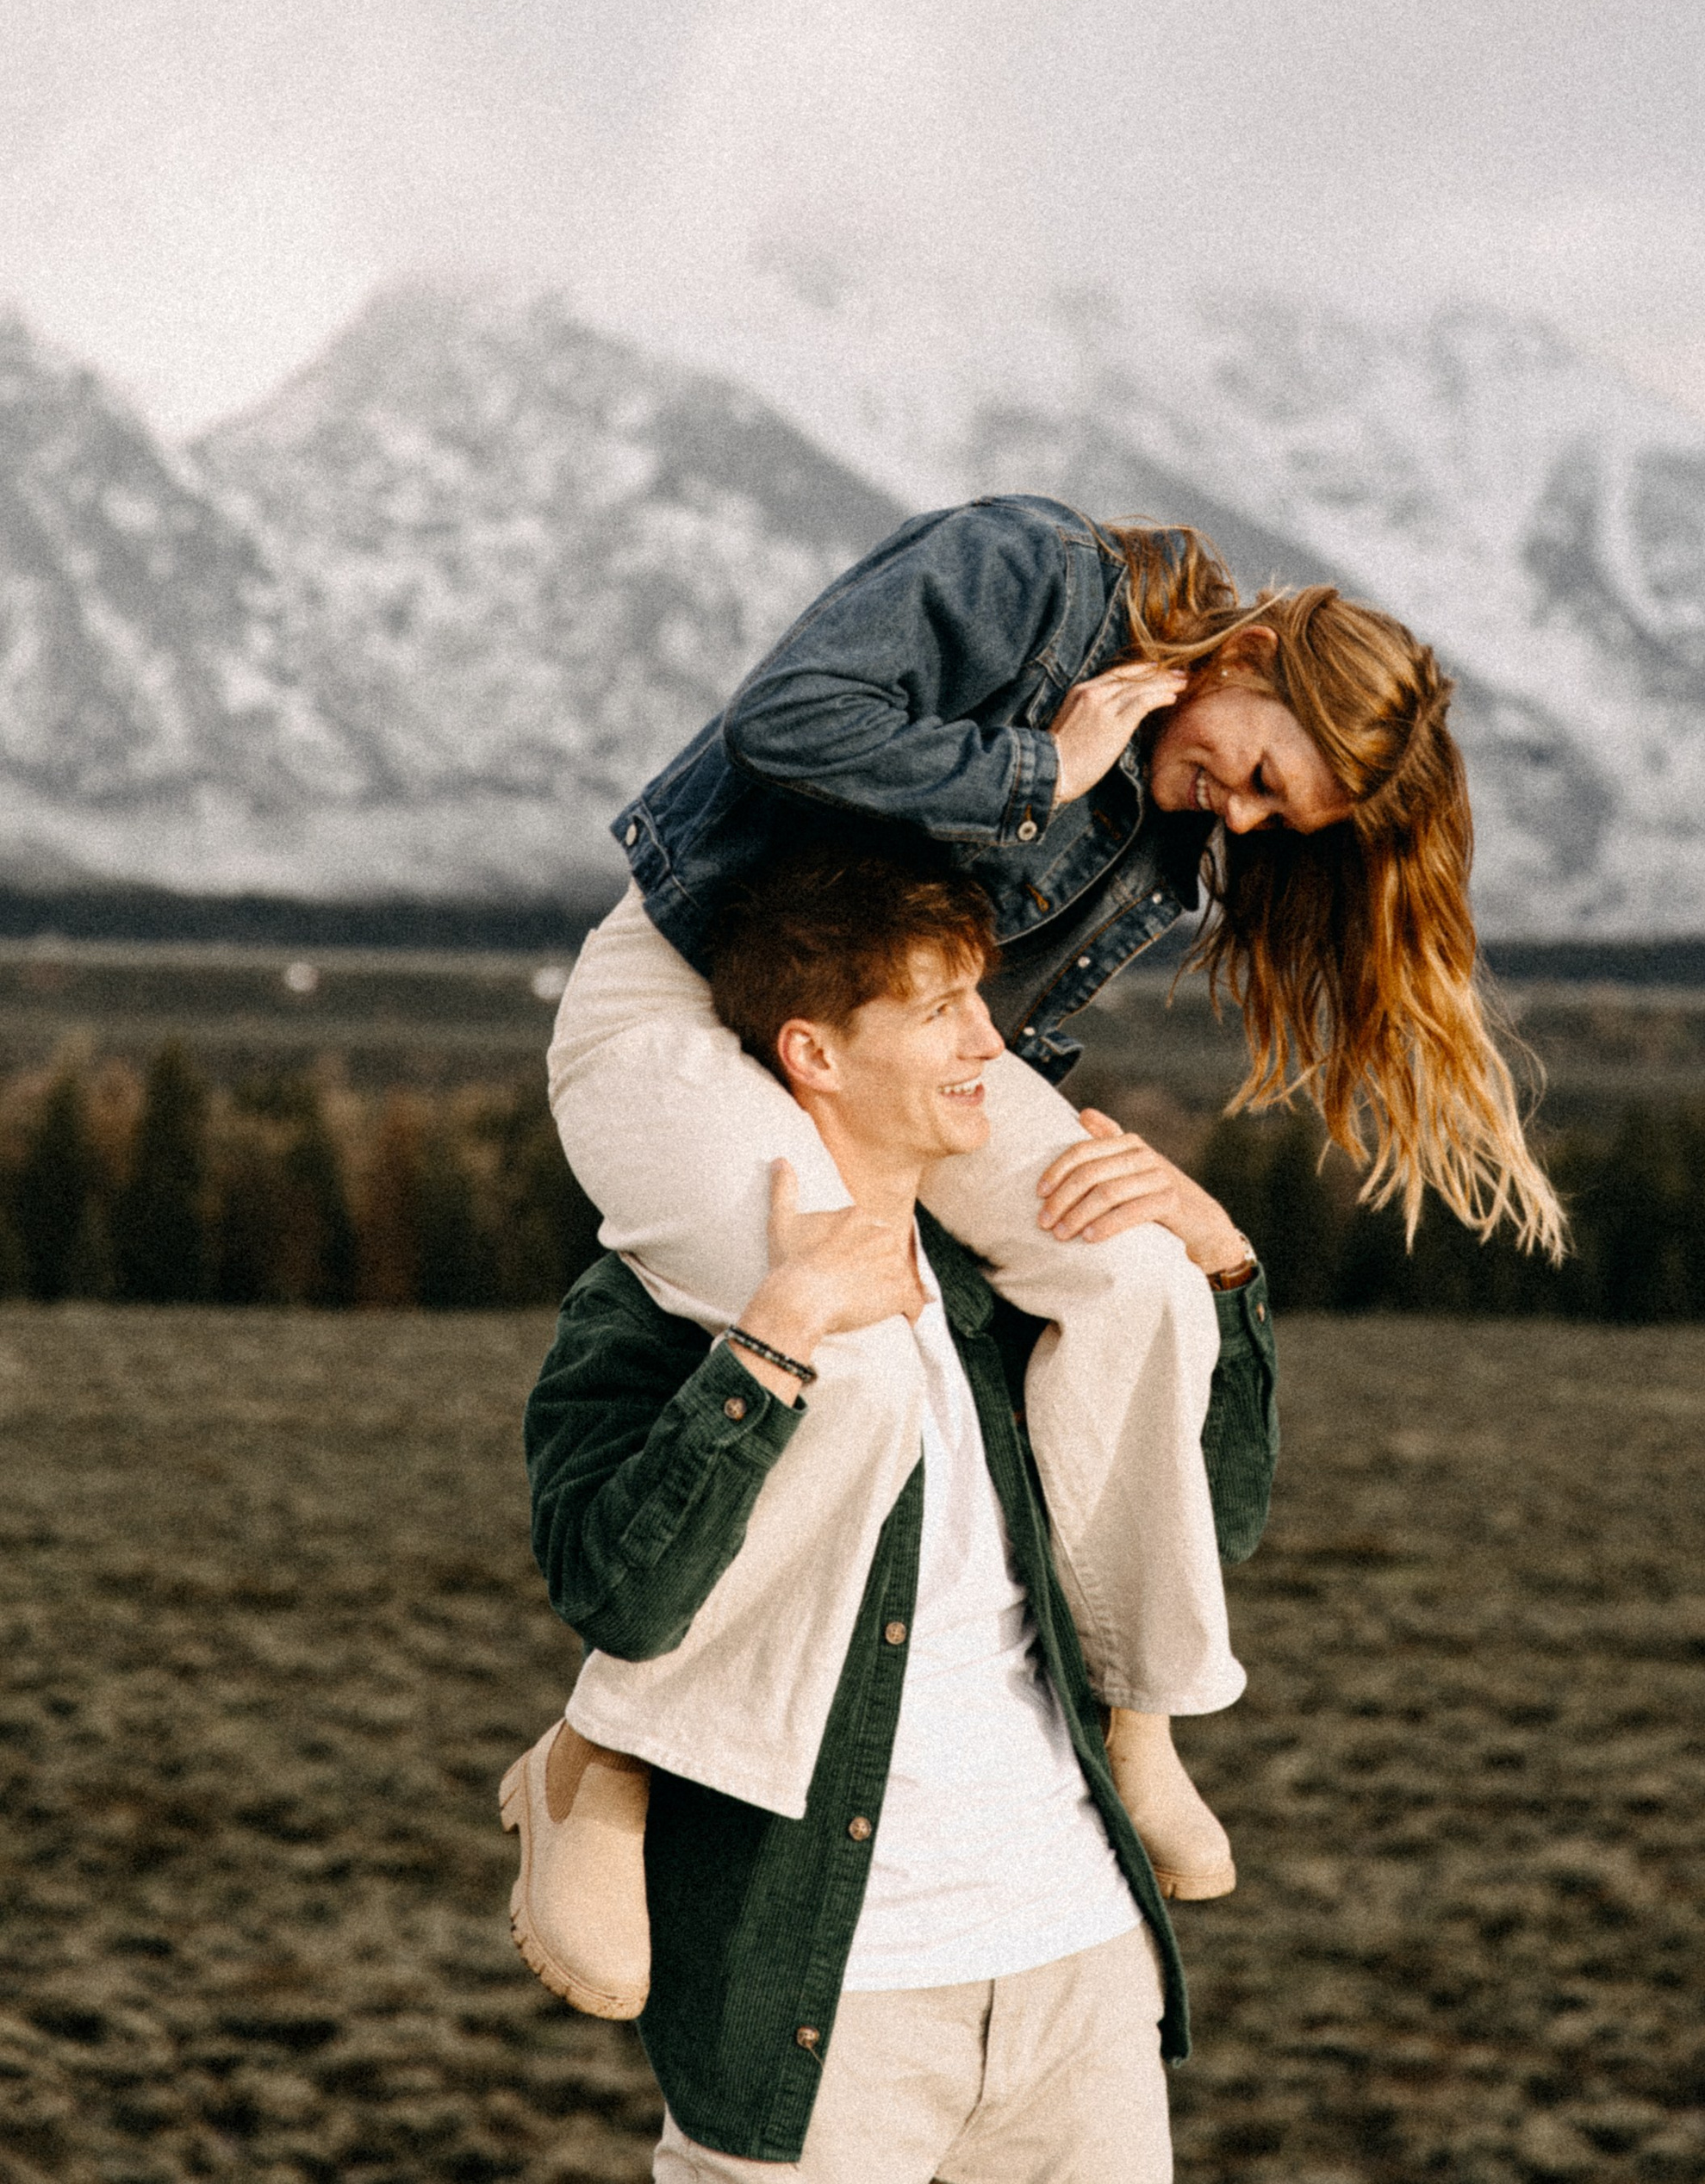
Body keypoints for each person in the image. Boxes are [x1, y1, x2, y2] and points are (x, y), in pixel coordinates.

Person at [504, 495, 1560, 2007]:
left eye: (1281, 823)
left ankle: (1137, 1716)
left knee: (1137, 1274)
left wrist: (1082, 1166)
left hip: (916, 1045)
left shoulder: (1170, 833)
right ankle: (603, 1759)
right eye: (1260, 775)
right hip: (685, 996)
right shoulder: (1030, 580)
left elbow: (992, 1034)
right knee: (850, 1350)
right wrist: (1037, 771)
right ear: (1245, 652)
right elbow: (787, 721)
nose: (1241, 820)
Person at [516, 831, 1278, 2181]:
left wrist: (1213, 1271)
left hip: (1078, 1974)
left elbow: (1204, 1532)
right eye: (942, 1012)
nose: (997, 1043)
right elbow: (617, 1592)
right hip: (824, 2005)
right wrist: (774, 1345)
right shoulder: (651, 1310)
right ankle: (588, 1767)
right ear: (813, 1054)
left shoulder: (1015, 1301)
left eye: (984, 1000)